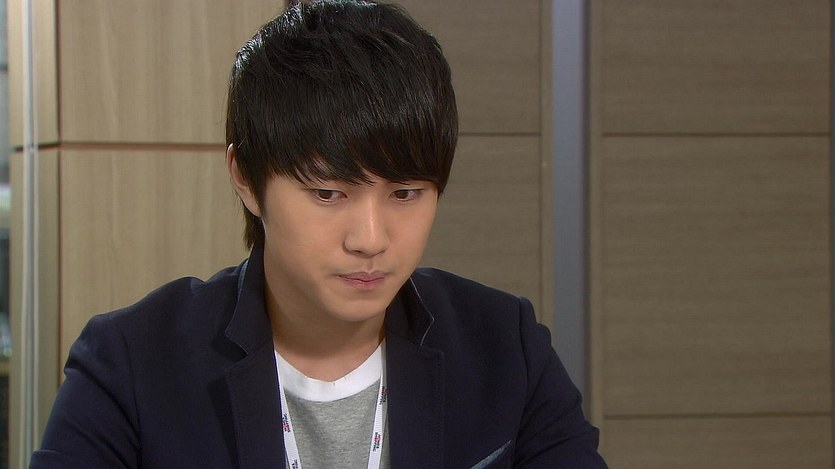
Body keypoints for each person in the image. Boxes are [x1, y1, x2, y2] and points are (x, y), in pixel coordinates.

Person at [31, 1, 608, 467]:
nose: (371, 239)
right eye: (329, 194)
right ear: (246, 178)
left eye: (405, 193)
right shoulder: (131, 364)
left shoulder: (505, 348)